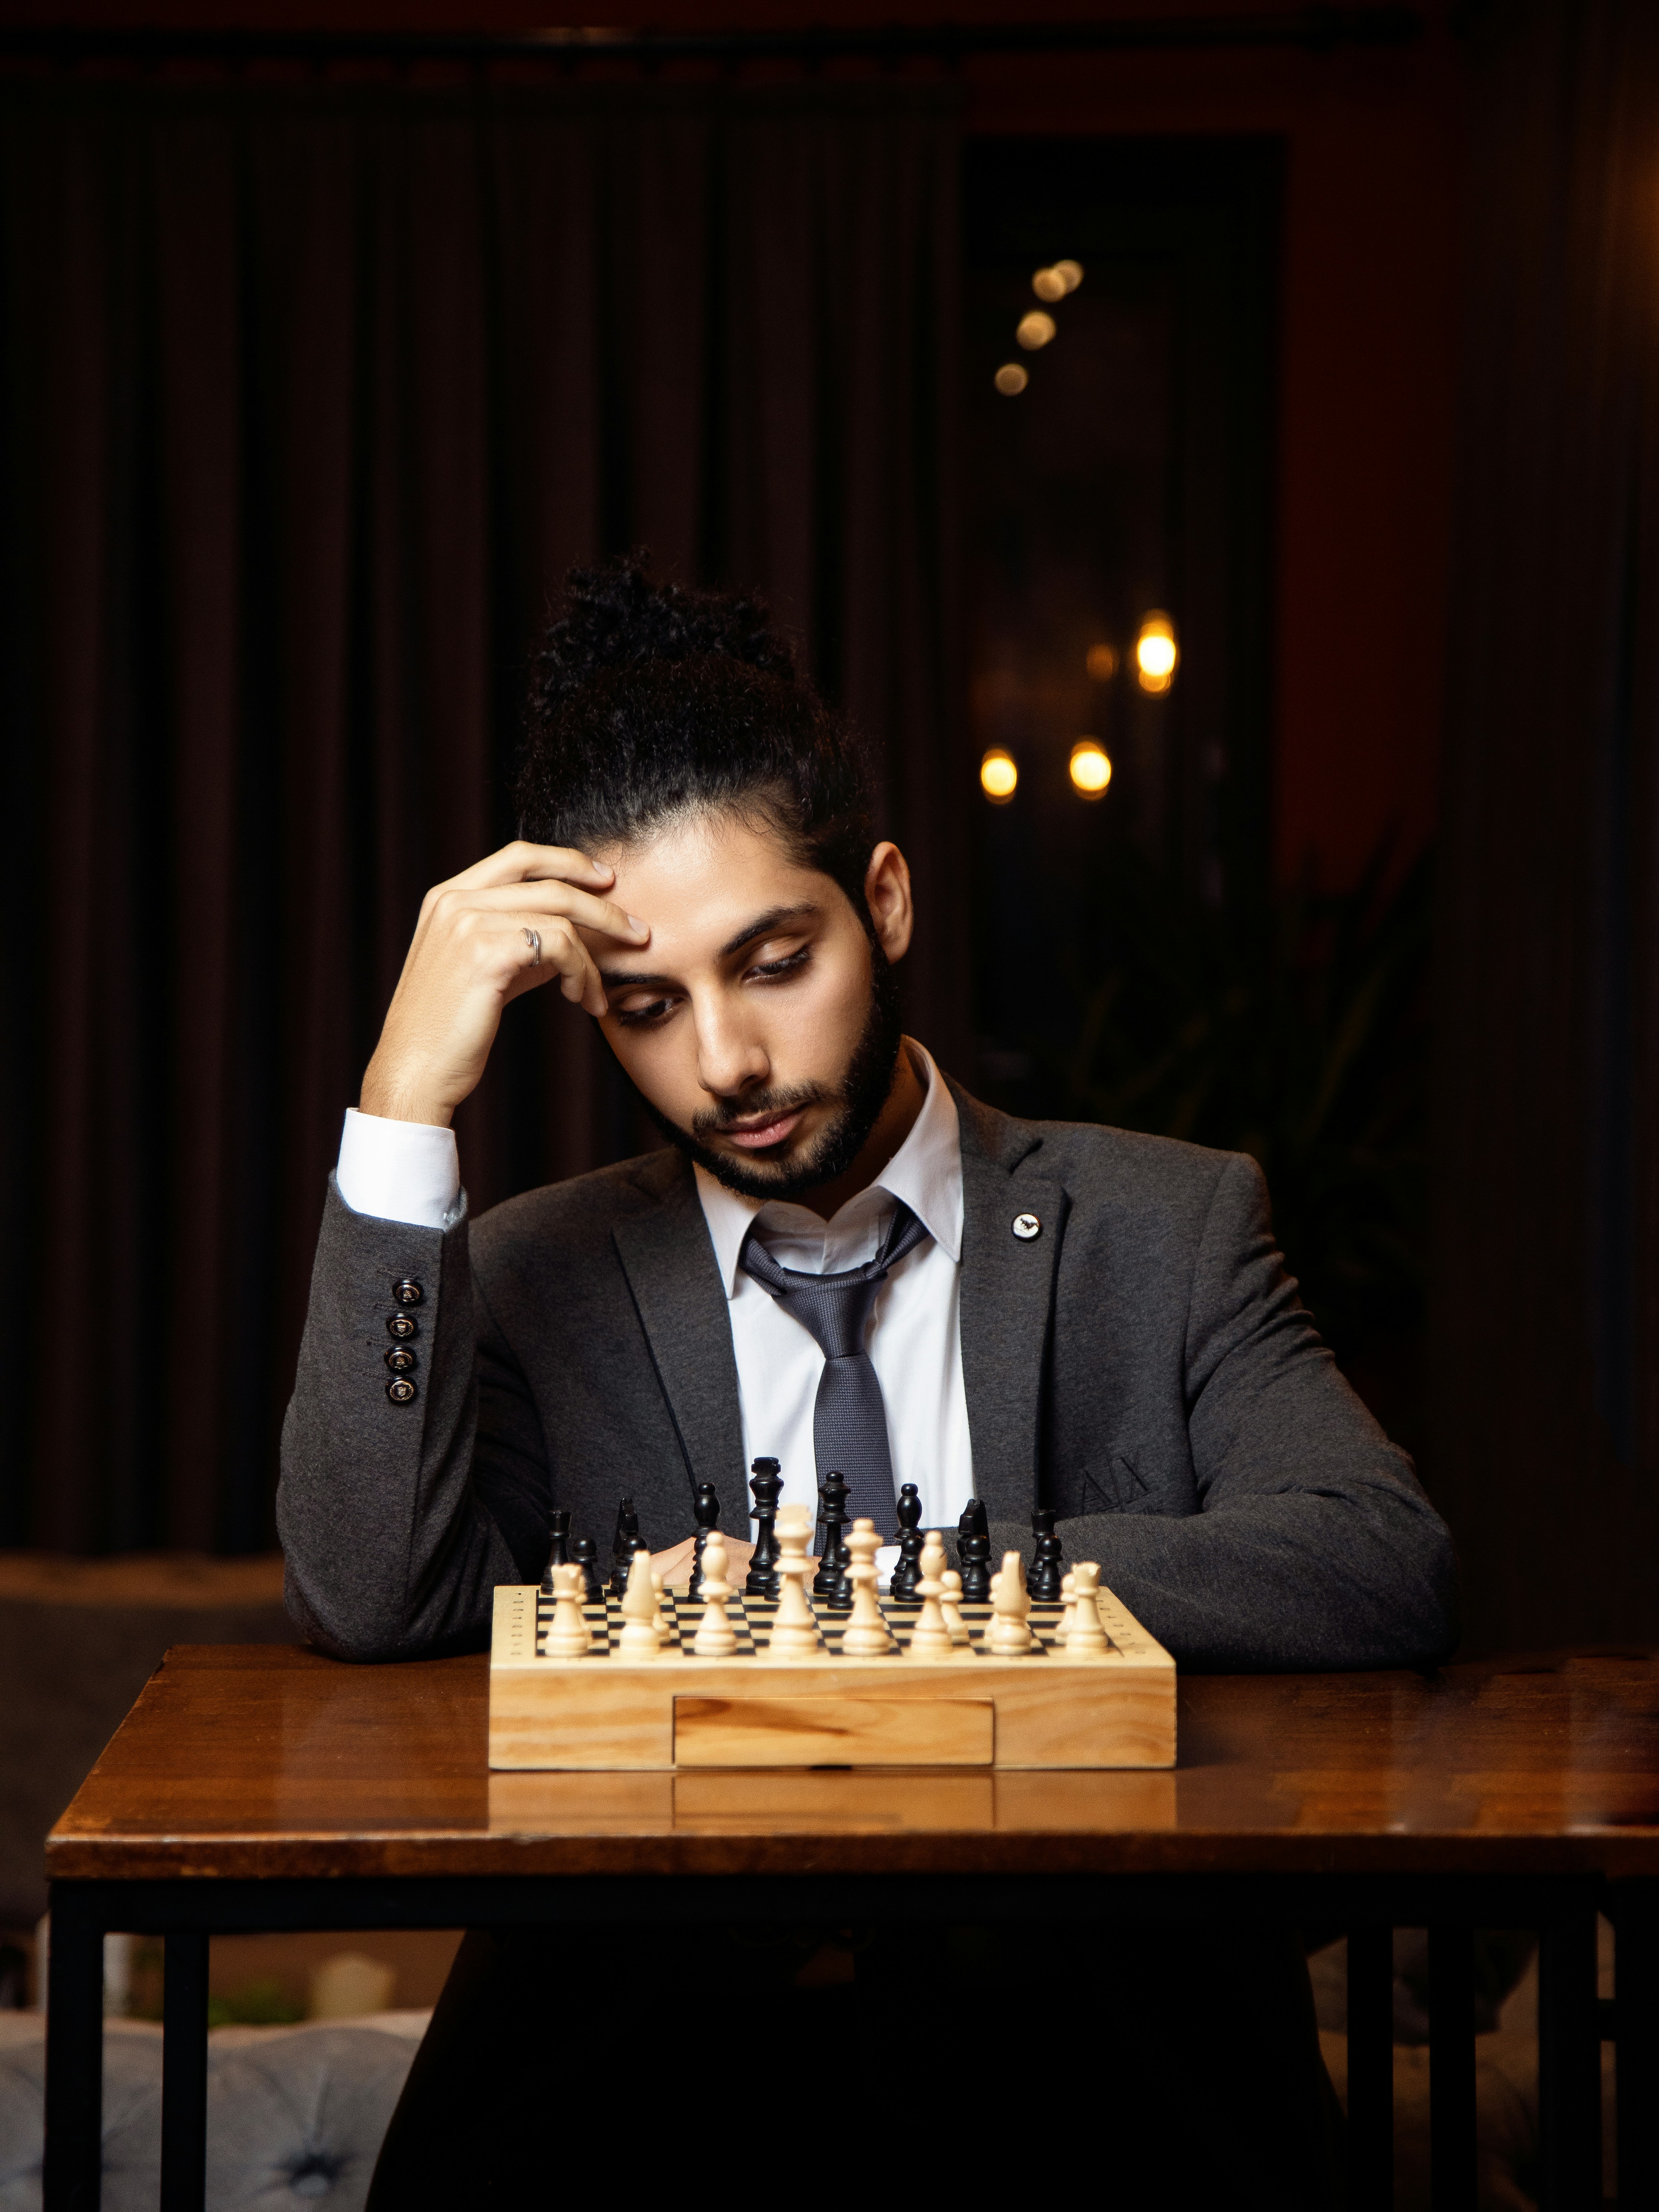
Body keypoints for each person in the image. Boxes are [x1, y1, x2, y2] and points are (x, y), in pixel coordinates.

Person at [278, 557, 1457, 2207]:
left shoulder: (1165, 1221)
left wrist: (885, 1589)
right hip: (647, 2076)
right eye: (644, 1007)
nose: (727, 1065)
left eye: (772, 961)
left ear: (883, 903)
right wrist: (403, 1107)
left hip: (1095, 2061)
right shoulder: (541, 1272)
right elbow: (365, 1594)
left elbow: (1373, 1554)